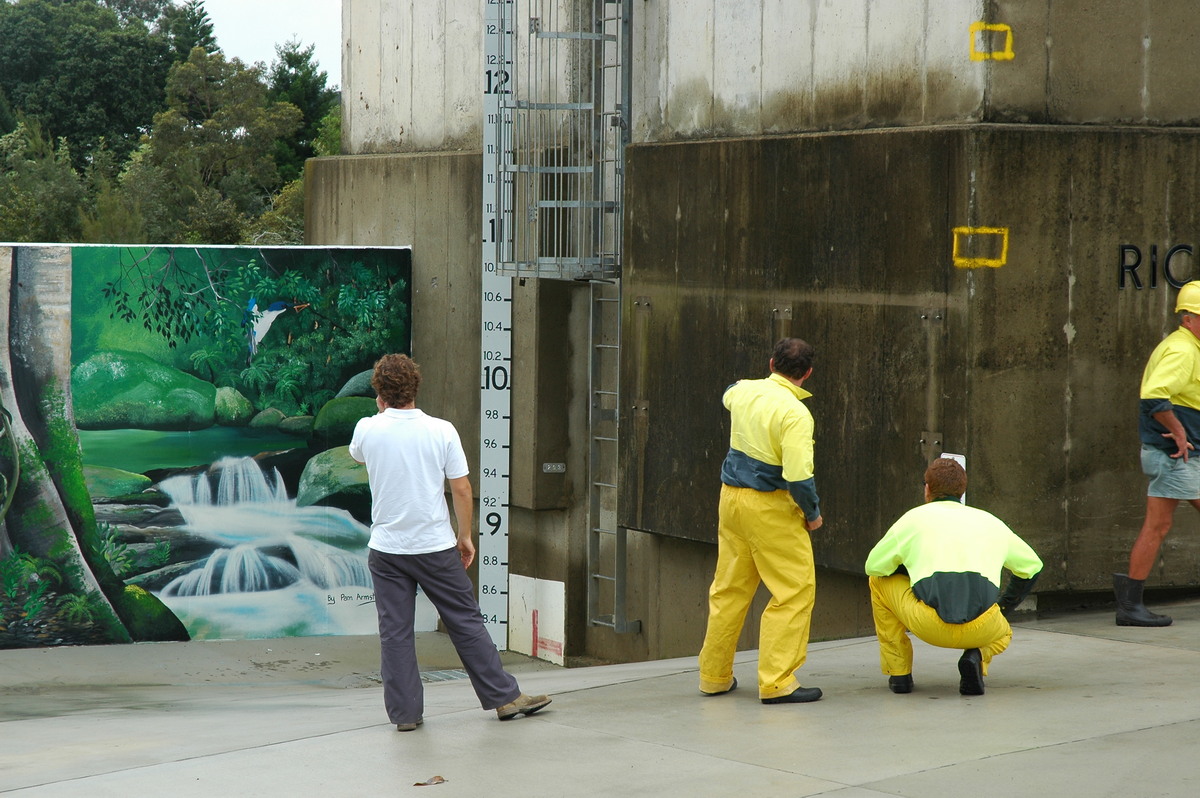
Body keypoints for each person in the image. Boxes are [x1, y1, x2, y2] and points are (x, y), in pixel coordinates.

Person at [349, 353, 550, 731]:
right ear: (415, 388)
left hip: (387, 549)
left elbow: (358, 455)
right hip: (435, 546)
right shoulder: (442, 430)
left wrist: (379, 413)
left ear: (379, 392)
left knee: (395, 632)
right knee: (465, 621)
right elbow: (460, 488)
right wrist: (464, 536)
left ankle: (406, 716)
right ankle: (504, 698)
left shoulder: (367, 429)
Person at [697, 338, 825, 704]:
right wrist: (813, 515)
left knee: (728, 589)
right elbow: (800, 478)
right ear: (808, 374)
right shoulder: (796, 415)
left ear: (771, 363)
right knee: (793, 590)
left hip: (730, 500)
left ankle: (713, 676)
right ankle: (777, 681)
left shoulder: (743, 392)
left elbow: (728, 391)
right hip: (769, 506)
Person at [864, 458, 1043, 696]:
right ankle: (976, 656)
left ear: (927, 489)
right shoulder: (991, 522)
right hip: (983, 628)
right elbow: (1032, 567)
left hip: (930, 626)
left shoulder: (912, 520)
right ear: (963, 490)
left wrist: (910, 568)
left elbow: (874, 566)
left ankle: (899, 675)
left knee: (878, 581)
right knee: (1004, 632)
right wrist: (1002, 608)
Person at [1116, 281, 1200, 627]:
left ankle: (1130, 603)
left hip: (1178, 457)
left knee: (1157, 525)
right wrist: (1179, 432)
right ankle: (1130, 606)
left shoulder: (1187, 346)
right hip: (1173, 457)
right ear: (1190, 319)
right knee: (1157, 525)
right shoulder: (1183, 350)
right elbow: (1154, 397)